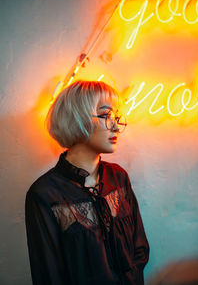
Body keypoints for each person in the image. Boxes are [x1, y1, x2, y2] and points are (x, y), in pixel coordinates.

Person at [25, 80, 150, 285]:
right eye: (105, 115)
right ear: (76, 119)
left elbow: (139, 248)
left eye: (116, 117)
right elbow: (48, 275)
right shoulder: (45, 194)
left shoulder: (118, 178)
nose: (116, 126)